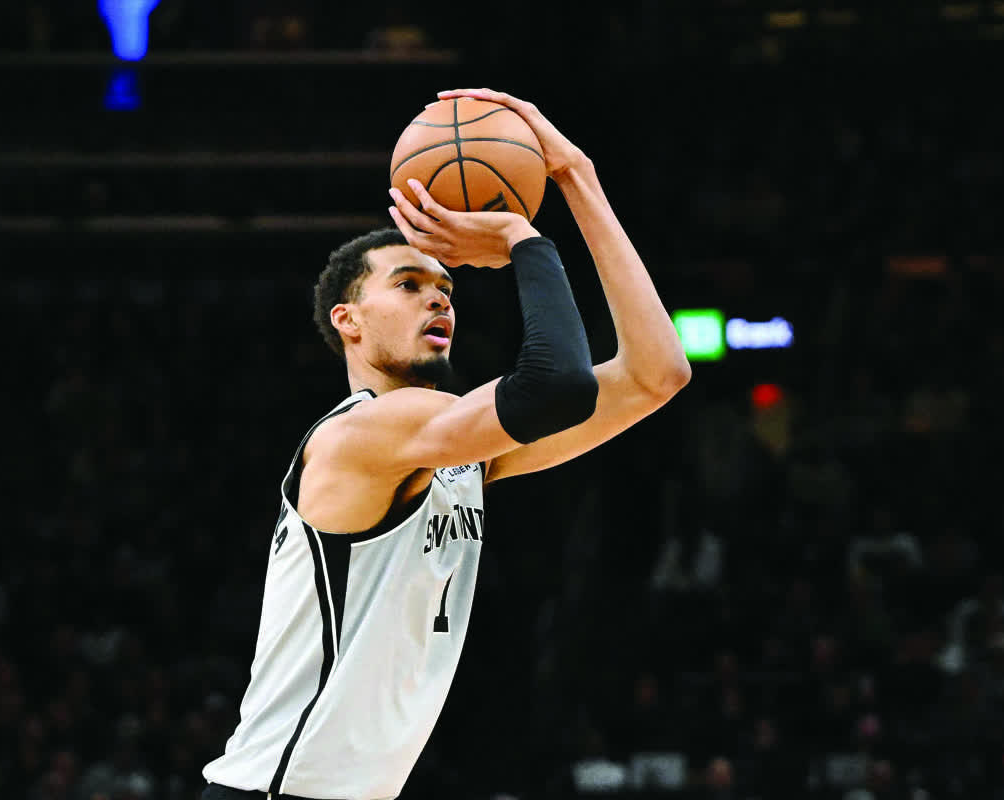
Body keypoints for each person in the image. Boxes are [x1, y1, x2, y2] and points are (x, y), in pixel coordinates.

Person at [199, 87, 691, 800]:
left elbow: (657, 374)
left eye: (447, 289)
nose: (439, 299)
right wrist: (522, 237)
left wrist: (577, 177)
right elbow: (554, 385)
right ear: (348, 320)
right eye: (408, 284)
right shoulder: (361, 434)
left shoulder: (453, 446)